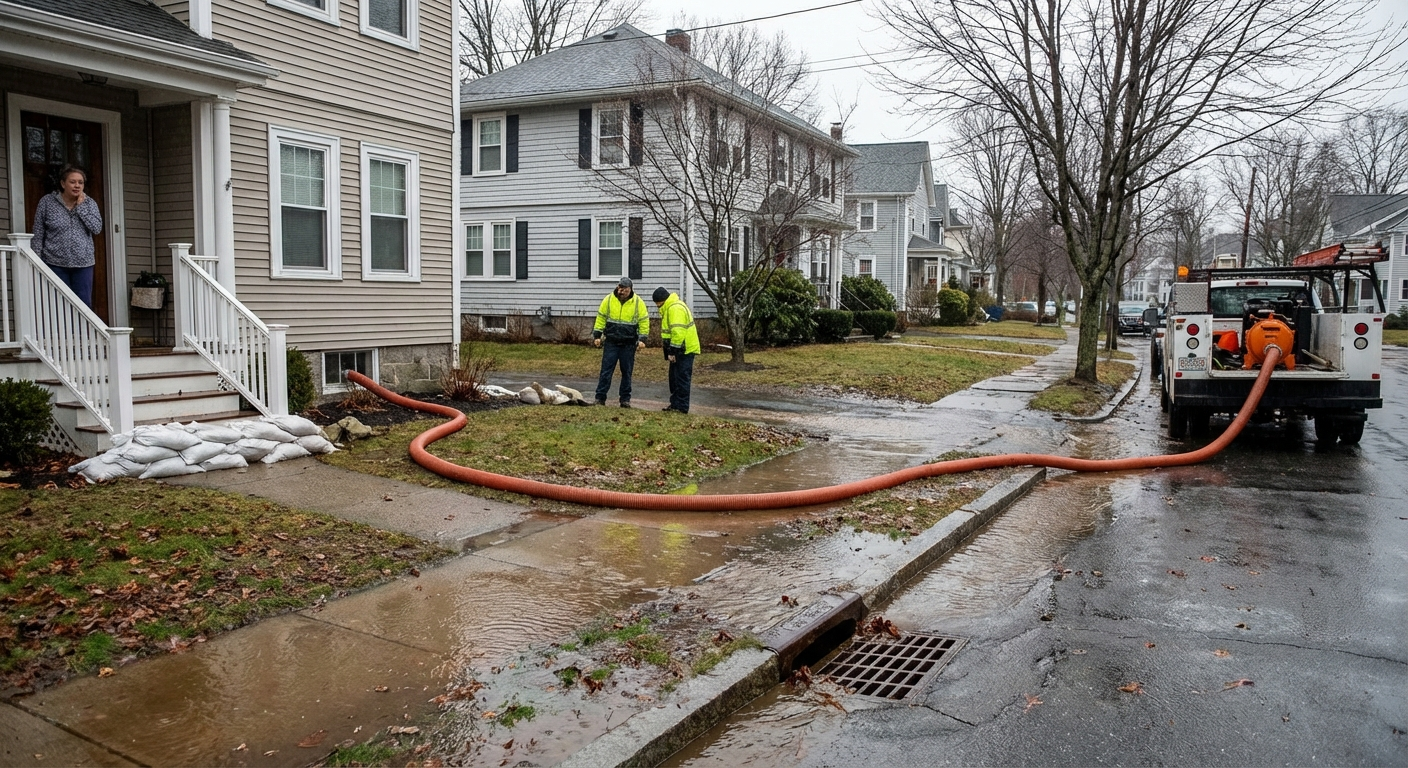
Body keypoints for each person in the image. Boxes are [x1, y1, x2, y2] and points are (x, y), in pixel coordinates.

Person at [31, 166, 103, 309]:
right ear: (63, 184)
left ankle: (81, 332)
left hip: (83, 264)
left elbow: (96, 228)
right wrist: (37, 262)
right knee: (57, 304)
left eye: (80, 182)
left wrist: (81, 208)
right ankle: (60, 332)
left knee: (83, 305)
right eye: (73, 182)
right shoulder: (47, 202)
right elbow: (38, 233)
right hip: (54, 263)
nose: (77, 185)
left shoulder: (90, 203)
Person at [592, 277, 649, 407]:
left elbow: (644, 321)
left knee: (627, 372)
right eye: (620, 289)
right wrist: (597, 335)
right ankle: (600, 398)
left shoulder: (637, 302)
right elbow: (601, 317)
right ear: (618, 287)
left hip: (628, 344)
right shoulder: (608, 300)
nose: (622, 292)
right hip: (611, 342)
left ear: (630, 290)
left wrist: (642, 339)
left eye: (625, 290)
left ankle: (625, 399)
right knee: (606, 371)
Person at [653, 286, 700, 414]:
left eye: (657, 304)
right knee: (674, 378)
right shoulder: (671, 307)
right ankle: (675, 404)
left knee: (681, 379)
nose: (657, 307)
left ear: (661, 301)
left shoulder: (674, 309)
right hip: (680, 349)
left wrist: (672, 351)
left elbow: (678, 333)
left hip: (684, 350)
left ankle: (682, 407)